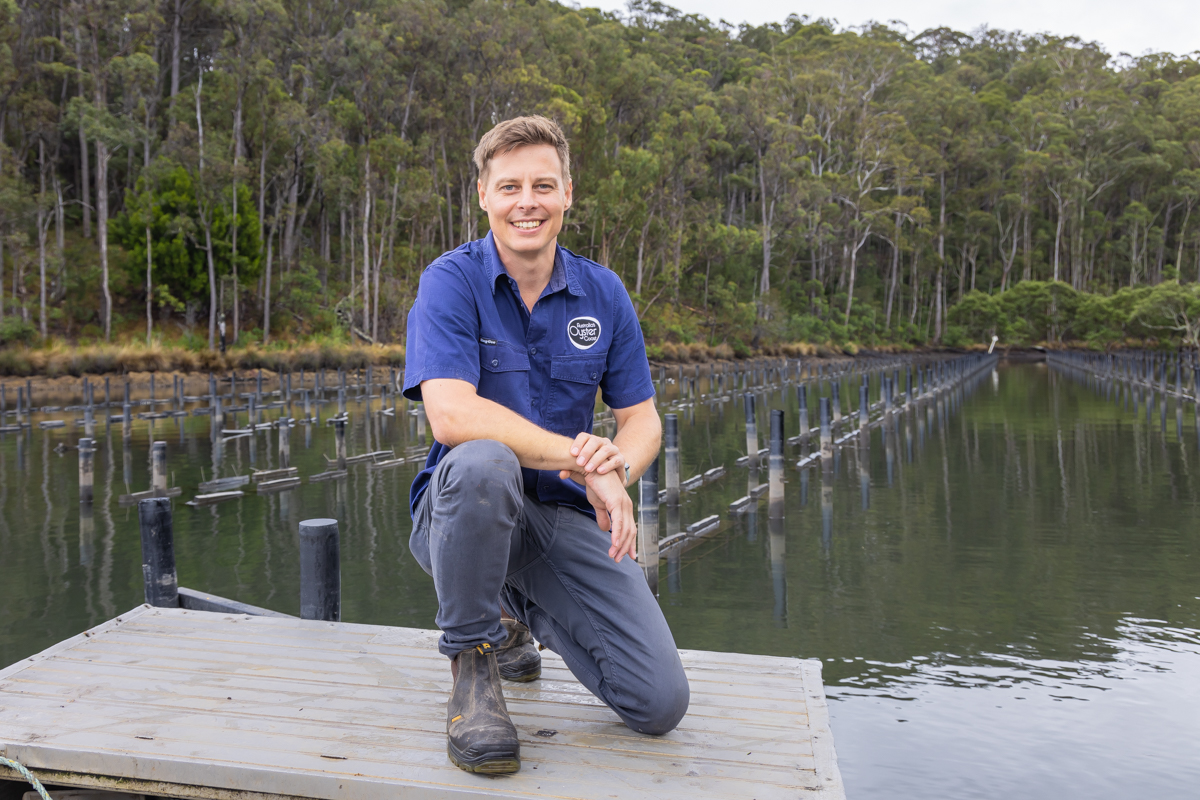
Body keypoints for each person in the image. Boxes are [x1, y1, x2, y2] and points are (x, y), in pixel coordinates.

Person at [403, 115, 689, 775]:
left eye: (542, 185)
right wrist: (578, 457)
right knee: (482, 460)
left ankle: (513, 610)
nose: (525, 202)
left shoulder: (604, 292)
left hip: (561, 518)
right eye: (509, 187)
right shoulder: (451, 281)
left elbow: (642, 420)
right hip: (460, 513)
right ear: (482, 196)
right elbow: (449, 415)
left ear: (567, 194)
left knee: (659, 703)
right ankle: (473, 660)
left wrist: (615, 469)